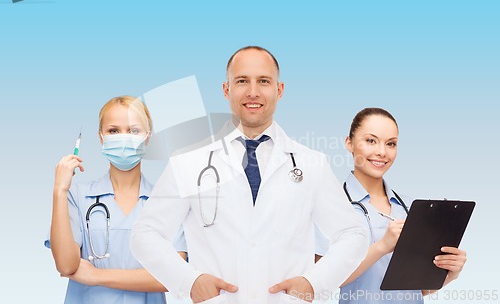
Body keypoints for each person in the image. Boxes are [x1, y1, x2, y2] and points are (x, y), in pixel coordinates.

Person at [130, 46, 369, 304]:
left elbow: (353, 235)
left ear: (279, 90)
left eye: (263, 81)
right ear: (226, 89)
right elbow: (145, 234)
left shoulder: (311, 164)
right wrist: (188, 282)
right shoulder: (189, 161)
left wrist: (315, 283)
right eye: (242, 81)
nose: (253, 92)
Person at [316, 107, 467, 303]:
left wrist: (450, 273)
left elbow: (416, 289)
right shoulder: (331, 205)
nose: (381, 152)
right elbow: (322, 281)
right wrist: (382, 246)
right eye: (371, 141)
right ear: (349, 143)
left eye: (391, 144)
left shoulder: (412, 208)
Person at [44, 96, 187, 304]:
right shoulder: (77, 197)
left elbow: (173, 276)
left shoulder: (167, 201)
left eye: (133, 130)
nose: (124, 138)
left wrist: (95, 275)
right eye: (114, 131)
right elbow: (66, 266)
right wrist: (59, 190)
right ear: (101, 137)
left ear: (147, 137)